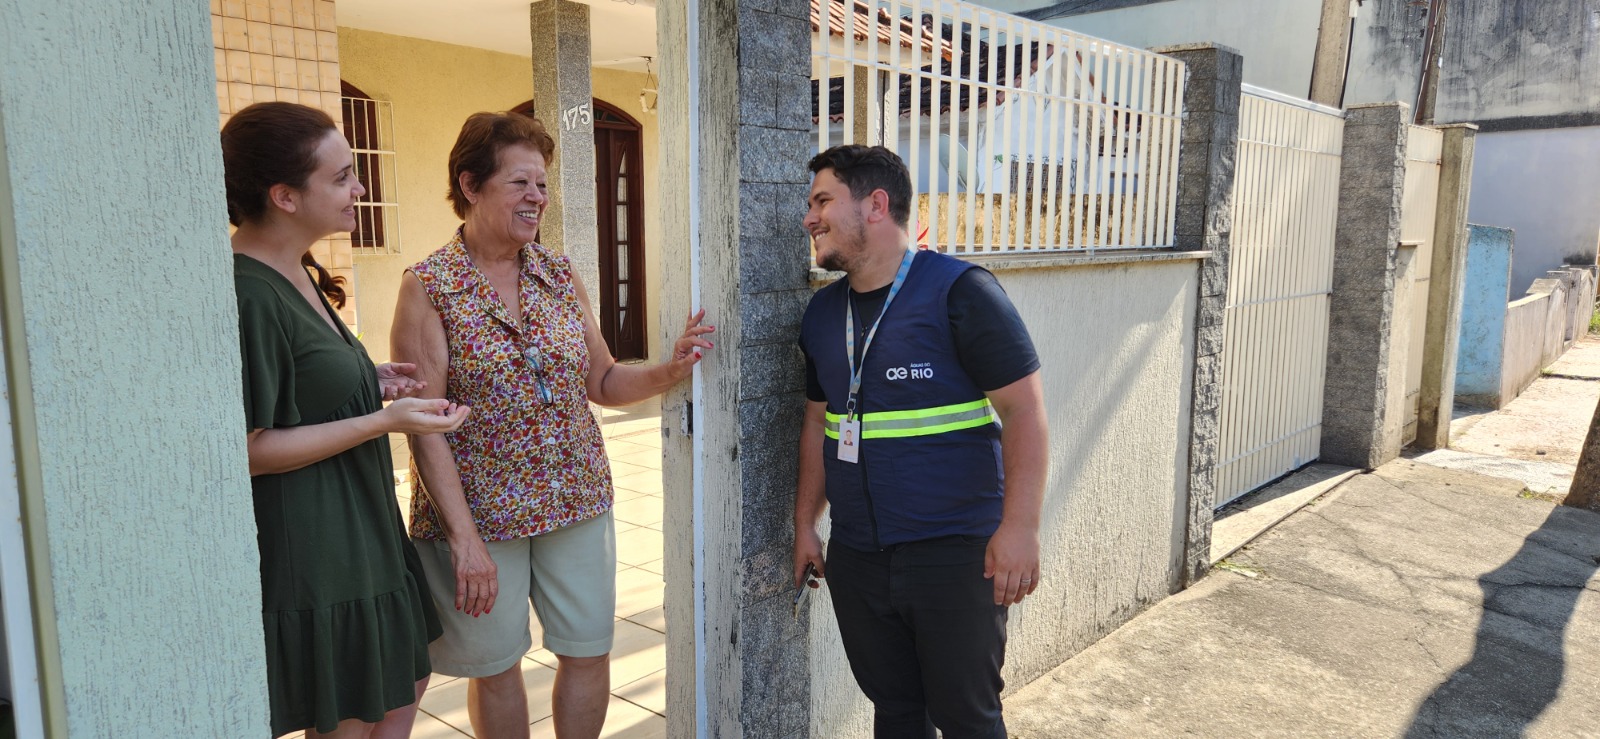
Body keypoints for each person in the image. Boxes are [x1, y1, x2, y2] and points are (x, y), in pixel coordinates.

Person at [391, 111, 712, 739]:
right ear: (471, 184)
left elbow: (603, 381)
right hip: (480, 513)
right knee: (498, 664)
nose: (537, 197)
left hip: (576, 497)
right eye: (520, 183)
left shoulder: (558, 274)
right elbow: (423, 424)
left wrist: (668, 370)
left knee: (588, 647)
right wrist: (463, 540)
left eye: (541, 184)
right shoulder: (428, 286)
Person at [224, 101, 472, 738]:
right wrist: (382, 422)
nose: (359, 189)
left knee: (402, 682)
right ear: (283, 195)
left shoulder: (297, 267)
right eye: (340, 178)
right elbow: (249, 448)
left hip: (362, 525)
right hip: (316, 546)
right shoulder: (248, 292)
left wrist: (368, 382)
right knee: (353, 715)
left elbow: (302, 386)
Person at [792, 145, 1049, 739]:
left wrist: (1021, 528)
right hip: (858, 558)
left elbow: (1025, 410)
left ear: (875, 205)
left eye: (823, 200)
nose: (809, 218)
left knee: (967, 719)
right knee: (897, 713)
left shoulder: (962, 292)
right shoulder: (822, 315)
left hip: (955, 557)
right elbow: (817, 423)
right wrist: (808, 524)